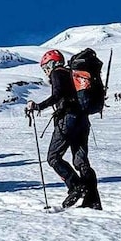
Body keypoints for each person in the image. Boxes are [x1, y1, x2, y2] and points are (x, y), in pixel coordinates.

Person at [27, 49, 101, 209]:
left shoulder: (57, 72)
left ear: (52, 63)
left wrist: (38, 106)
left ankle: (75, 186)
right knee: (81, 162)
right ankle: (93, 201)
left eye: (45, 67)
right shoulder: (72, 74)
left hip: (67, 119)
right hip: (83, 120)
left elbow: (57, 94)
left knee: (53, 157)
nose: (46, 71)